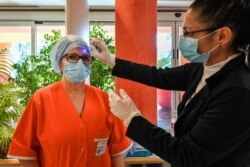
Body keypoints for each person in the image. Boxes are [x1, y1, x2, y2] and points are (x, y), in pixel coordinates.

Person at [90, 0, 250, 166]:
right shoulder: (203, 68)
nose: (184, 39)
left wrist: (132, 119)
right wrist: (112, 62)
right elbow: (157, 76)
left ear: (222, 36)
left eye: (189, 33)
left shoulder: (237, 92)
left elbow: (186, 155)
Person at [7, 35, 132, 167]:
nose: (80, 62)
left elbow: (116, 153)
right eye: (72, 57)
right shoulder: (41, 100)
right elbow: (26, 153)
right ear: (60, 63)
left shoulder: (105, 101)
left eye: (85, 58)